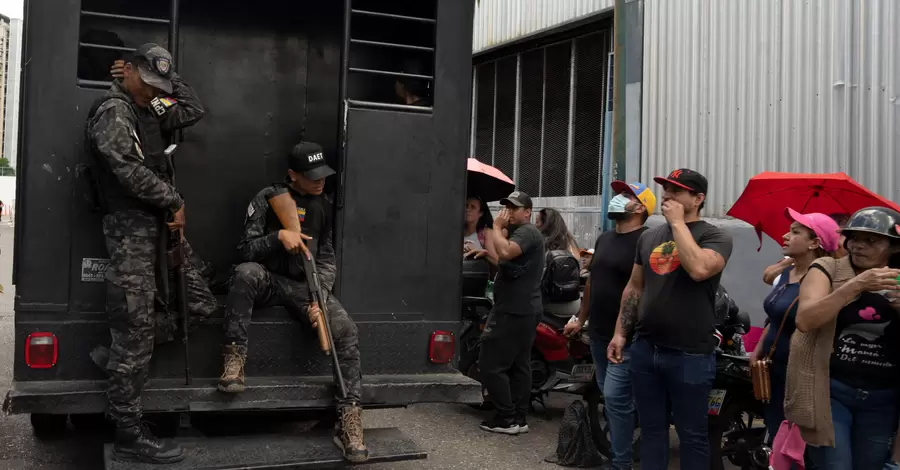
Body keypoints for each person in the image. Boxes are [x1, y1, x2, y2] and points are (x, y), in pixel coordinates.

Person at [85, 43, 217, 464]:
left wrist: (167, 77)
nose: (155, 93)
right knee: (135, 327)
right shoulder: (114, 110)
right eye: (151, 83)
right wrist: (173, 199)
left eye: (161, 85)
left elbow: (192, 108)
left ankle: (121, 353)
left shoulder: (152, 103)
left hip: (159, 228)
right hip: (132, 232)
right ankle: (127, 429)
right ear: (131, 73)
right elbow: (124, 166)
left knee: (198, 303)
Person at [217, 142, 368, 463]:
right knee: (244, 274)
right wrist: (277, 238)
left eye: (322, 174)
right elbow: (244, 250)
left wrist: (319, 297)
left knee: (346, 330)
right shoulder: (269, 198)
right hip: (268, 279)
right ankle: (234, 362)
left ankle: (350, 417)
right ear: (292, 175)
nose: (319, 181)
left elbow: (326, 258)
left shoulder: (324, 205)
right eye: (311, 176)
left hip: (305, 286)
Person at [607, 168, 733, 470]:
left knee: (692, 435)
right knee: (651, 431)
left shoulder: (716, 236)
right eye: (666, 189)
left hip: (690, 353)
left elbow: (700, 269)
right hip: (647, 348)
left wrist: (677, 223)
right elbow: (635, 287)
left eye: (677, 191)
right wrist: (620, 334)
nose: (668, 196)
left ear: (698, 198)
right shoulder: (649, 237)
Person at [789, 206, 900, 470]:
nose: (859, 246)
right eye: (854, 238)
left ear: (894, 247)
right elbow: (805, 320)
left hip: (883, 399)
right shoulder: (827, 268)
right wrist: (856, 285)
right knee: (836, 465)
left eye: (871, 240)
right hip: (832, 392)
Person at [565, 180, 656, 470]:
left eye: (626, 195)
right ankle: (625, 453)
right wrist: (581, 318)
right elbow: (593, 281)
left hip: (627, 337)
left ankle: (621, 463)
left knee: (616, 400)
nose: (617, 198)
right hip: (599, 333)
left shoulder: (648, 240)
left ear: (641, 207)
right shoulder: (605, 238)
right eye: (618, 193)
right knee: (612, 398)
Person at [750, 209, 839, 443]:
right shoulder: (787, 272)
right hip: (771, 367)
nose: (785, 236)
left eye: (795, 232)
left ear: (814, 243)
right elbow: (774, 319)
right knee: (776, 436)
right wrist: (757, 354)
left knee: (796, 444)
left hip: (799, 376)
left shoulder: (823, 280)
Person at [478, 190, 545, 435]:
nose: (507, 212)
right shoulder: (518, 234)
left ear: (527, 212)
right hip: (523, 308)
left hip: (515, 310)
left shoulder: (527, 231)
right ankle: (518, 417)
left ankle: (507, 417)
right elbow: (505, 262)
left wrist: (496, 226)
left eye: (514, 208)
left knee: (490, 364)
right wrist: (489, 252)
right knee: (519, 365)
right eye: (505, 206)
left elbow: (505, 252)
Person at [536, 208, 581, 316]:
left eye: (537, 221)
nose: (535, 225)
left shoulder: (542, 243)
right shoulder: (571, 242)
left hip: (552, 304)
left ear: (546, 224)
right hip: (575, 303)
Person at [463, 195, 498, 266]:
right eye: (466, 206)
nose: (467, 209)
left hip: (479, 274)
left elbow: (497, 261)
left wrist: (485, 254)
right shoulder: (456, 231)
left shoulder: (486, 233)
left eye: (473, 207)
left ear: (481, 213)